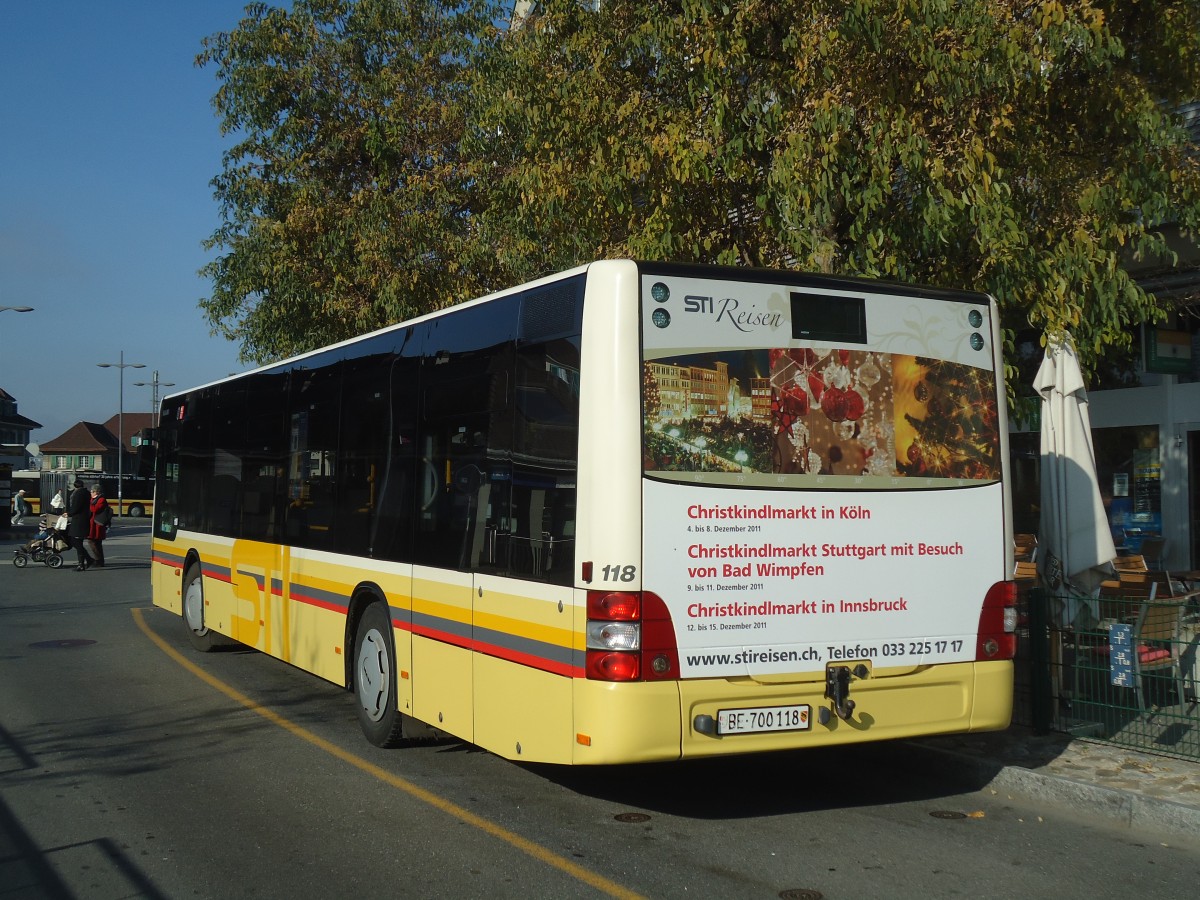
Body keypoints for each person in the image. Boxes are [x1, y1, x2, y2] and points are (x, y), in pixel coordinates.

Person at [66, 479, 92, 571]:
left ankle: (85, 561)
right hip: (83, 520)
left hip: (78, 521)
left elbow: (76, 507)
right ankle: (83, 563)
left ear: (75, 486)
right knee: (78, 542)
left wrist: (68, 513)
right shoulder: (87, 493)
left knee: (75, 541)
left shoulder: (78, 494)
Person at [86, 484, 112, 568]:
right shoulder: (94, 499)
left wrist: (89, 503)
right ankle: (99, 560)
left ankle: (98, 560)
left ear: (96, 492)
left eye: (92, 492)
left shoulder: (101, 499)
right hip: (93, 524)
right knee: (95, 543)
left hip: (97, 525)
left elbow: (94, 509)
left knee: (94, 542)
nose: (91, 493)